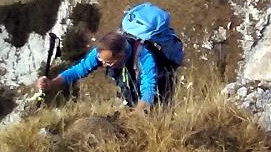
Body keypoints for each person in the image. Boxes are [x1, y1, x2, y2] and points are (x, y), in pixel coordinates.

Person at [35, 30, 174, 111]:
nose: (103, 64)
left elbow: (149, 90)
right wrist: (52, 83)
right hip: (131, 91)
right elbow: (79, 70)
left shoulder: (145, 58)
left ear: (121, 56)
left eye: (108, 62)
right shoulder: (102, 52)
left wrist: (138, 114)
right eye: (101, 60)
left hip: (159, 94)